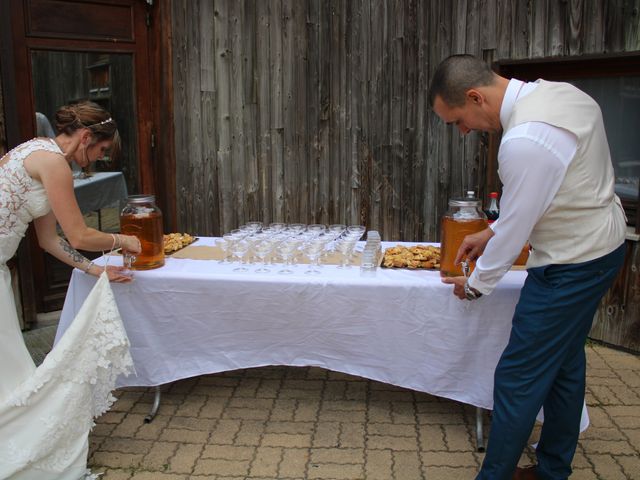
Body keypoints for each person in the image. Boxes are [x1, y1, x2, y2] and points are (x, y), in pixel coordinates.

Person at [428, 55, 626, 480]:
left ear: (475, 97)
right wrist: (493, 230)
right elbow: (550, 188)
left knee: (518, 377)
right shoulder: (563, 94)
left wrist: (477, 285)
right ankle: (552, 470)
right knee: (566, 364)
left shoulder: (525, 139)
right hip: (602, 248)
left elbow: (518, 229)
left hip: (571, 264)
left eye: (457, 120)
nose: (463, 132)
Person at [0, 101, 142, 478]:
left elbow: (51, 240)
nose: (96, 159)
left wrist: (96, 271)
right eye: (100, 149)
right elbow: (80, 235)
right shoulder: (53, 163)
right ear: (85, 137)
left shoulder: (36, 151)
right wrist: (123, 240)